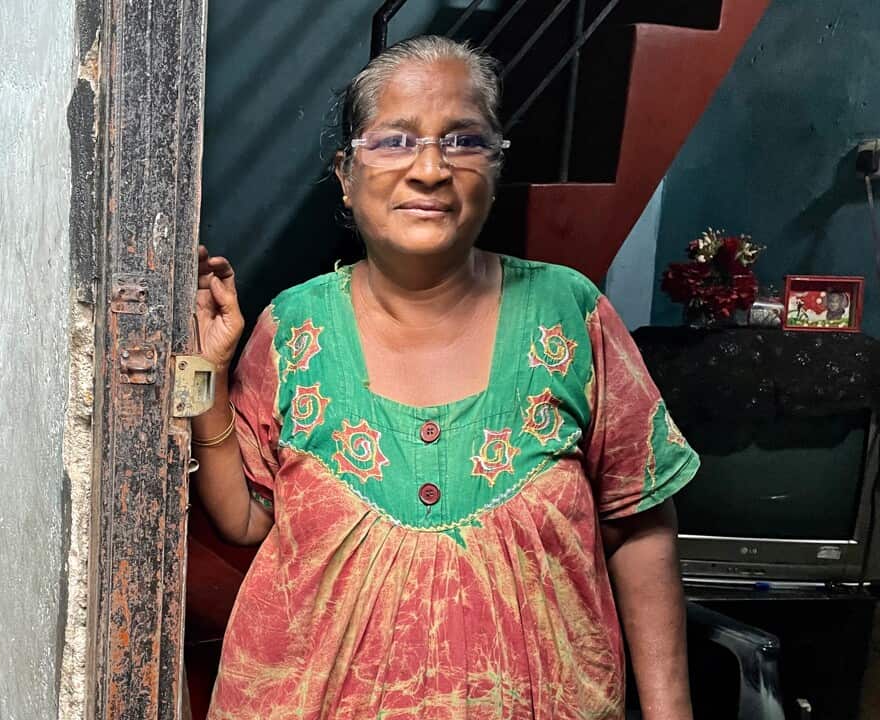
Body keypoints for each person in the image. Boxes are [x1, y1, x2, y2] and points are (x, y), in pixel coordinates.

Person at [192, 37, 699, 719]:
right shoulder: (293, 328)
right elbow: (244, 518)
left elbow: (639, 522)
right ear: (346, 173)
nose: (430, 169)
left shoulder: (569, 315)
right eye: (396, 140)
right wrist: (206, 370)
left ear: (495, 167)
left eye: (463, 141)